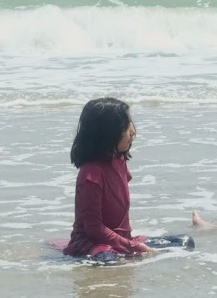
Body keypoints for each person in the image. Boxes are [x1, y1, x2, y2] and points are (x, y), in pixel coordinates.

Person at [63, 97, 192, 262]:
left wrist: (132, 244)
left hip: (122, 239)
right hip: (92, 243)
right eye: (125, 126)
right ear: (107, 133)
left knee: (185, 242)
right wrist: (135, 248)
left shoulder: (119, 161)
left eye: (131, 123)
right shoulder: (91, 175)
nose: (133, 131)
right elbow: (94, 230)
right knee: (110, 261)